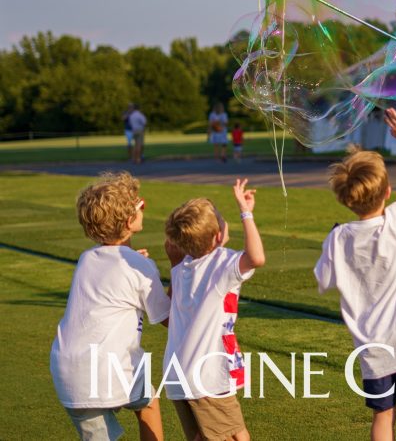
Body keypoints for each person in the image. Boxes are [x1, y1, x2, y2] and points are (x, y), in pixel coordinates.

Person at [314, 108, 396, 441]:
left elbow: (322, 281)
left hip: (372, 346)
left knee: (382, 414)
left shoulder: (338, 238)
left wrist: (335, 241)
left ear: (345, 199)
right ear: (387, 192)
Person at [50, 172, 170, 441]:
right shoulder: (140, 267)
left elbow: (112, 272)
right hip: (107, 369)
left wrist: (135, 262)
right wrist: (177, 267)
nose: (144, 207)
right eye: (139, 206)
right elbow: (169, 318)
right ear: (129, 221)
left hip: (68, 372)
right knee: (149, 403)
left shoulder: (86, 259)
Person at [163, 178, 265, 441]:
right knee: (236, 434)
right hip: (207, 373)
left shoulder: (183, 266)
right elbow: (256, 257)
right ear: (218, 235)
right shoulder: (221, 264)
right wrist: (246, 212)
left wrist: (173, 261)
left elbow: (170, 310)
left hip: (178, 373)